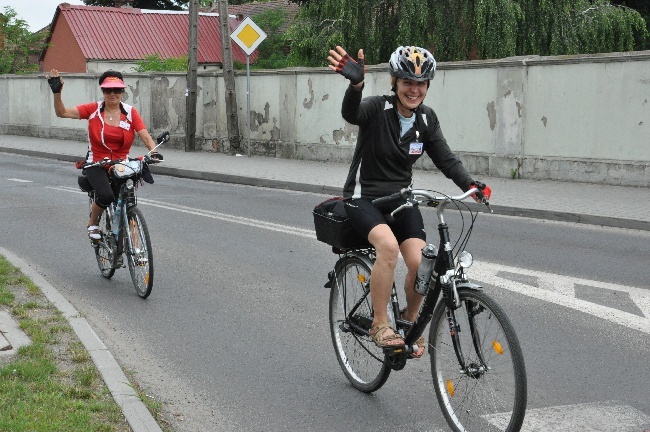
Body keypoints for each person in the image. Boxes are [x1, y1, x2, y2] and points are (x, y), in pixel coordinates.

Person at [326, 45, 491, 358]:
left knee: (422, 266)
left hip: (402, 200)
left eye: (420, 84)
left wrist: (471, 184)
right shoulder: (376, 108)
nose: (414, 90)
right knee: (387, 248)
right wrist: (356, 86)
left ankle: (409, 322)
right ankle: (379, 324)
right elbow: (351, 114)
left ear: (427, 87)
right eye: (407, 82)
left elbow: (446, 158)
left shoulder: (426, 120)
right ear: (394, 81)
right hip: (365, 199)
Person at [46, 69, 160, 241]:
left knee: (128, 200)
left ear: (122, 91)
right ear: (103, 91)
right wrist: (57, 92)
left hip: (121, 164)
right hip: (96, 163)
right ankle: (92, 223)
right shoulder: (93, 110)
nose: (112, 94)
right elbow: (62, 113)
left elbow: (145, 135)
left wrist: (154, 152)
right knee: (106, 196)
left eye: (117, 90)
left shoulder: (130, 112)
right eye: (108, 90)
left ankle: (136, 247)